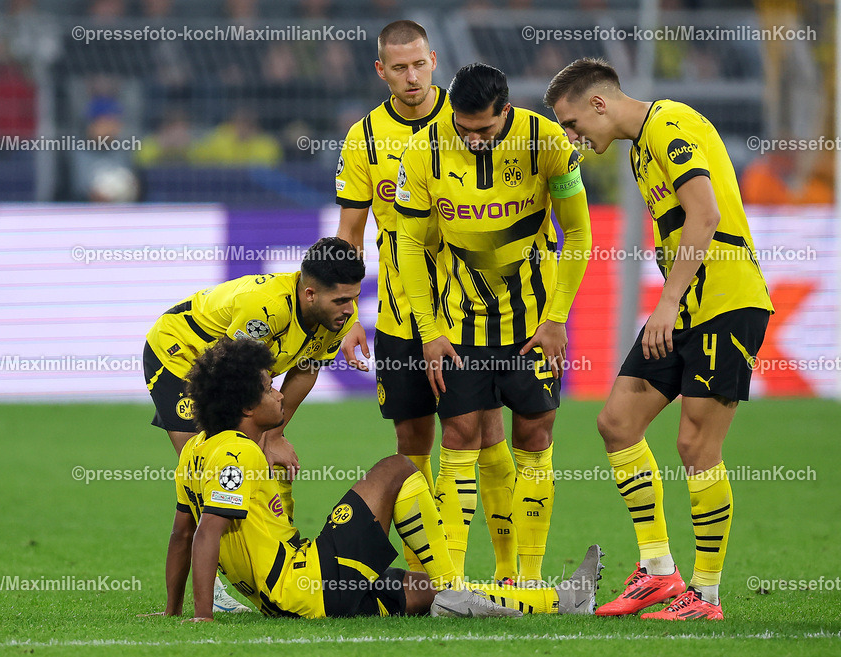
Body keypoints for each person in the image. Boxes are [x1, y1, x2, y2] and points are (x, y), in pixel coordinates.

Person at [544, 57, 774, 620]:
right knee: (617, 422)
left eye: (573, 125)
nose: (572, 140)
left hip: (725, 301)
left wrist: (665, 303)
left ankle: (707, 596)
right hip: (687, 307)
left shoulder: (670, 126)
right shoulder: (640, 150)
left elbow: (704, 214)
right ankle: (658, 573)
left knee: (697, 447)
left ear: (599, 103)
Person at [160, 337, 604, 620]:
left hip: (301, 599)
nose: (279, 392)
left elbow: (181, 534)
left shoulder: (199, 451)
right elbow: (205, 533)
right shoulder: (237, 453)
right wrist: (202, 616)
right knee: (396, 468)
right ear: (245, 407)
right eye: (268, 387)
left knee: (423, 592)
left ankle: (565, 600)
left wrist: (172, 610)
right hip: (305, 582)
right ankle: (455, 587)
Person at [394, 63, 593, 583]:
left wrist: (556, 319)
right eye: (464, 128)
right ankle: (451, 581)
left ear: (505, 111)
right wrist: (430, 330)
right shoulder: (422, 151)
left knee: (534, 435)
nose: (474, 138)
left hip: (532, 324)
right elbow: (410, 244)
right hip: (461, 325)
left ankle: (524, 577)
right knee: (459, 436)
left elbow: (577, 233)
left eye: (484, 128)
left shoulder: (546, 140)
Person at [144, 236, 363, 613]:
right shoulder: (266, 308)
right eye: (341, 301)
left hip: (234, 371)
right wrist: (259, 438)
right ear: (310, 294)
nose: (350, 309)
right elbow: (233, 374)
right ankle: (208, 593)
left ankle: (270, 560)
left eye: (354, 298)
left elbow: (306, 370)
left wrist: (273, 436)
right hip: (182, 358)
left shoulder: (337, 315)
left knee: (250, 461)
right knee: (212, 461)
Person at [333, 20, 452, 576]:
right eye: (398, 68)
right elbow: (350, 233)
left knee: (472, 430)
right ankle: (424, 572)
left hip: (470, 311)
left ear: (434, 59)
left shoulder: (467, 121)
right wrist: (346, 309)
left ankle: (492, 570)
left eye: (419, 64)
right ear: (381, 71)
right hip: (403, 313)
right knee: (412, 436)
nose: (411, 77)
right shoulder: (365, 139)